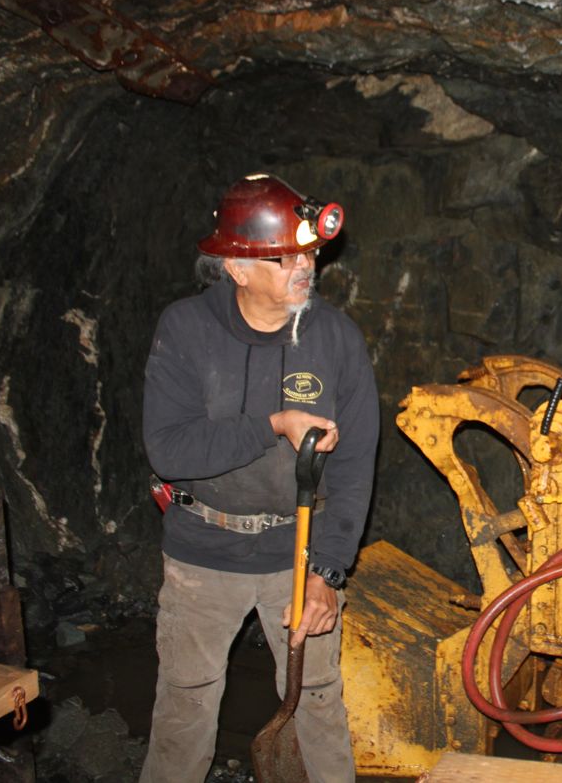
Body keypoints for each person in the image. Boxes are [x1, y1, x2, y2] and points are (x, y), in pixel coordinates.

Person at [139, 173, 378, 783]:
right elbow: (169, 449)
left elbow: (353, 471)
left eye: (309, 252)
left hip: (296, 555)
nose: (306, 266)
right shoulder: (186, 329)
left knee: (318, 701)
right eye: (286, 256)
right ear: (237, 269)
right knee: (184, 707)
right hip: (202, 555)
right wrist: (271, 424)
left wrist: (327, 572)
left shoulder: (336, 340)